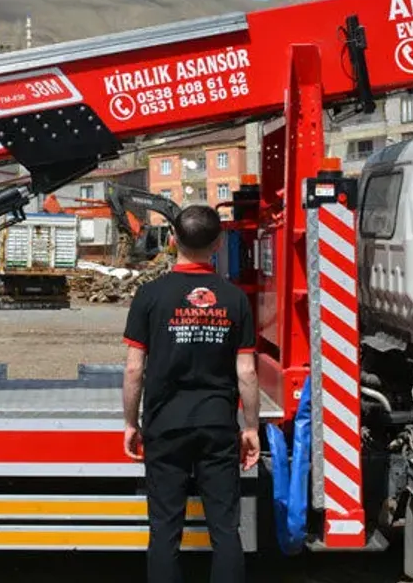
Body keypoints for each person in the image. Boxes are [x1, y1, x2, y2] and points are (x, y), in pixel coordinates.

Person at [121, 204, 260, 583]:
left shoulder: (150, 295)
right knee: (225, 530)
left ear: (171, 240)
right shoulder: (234, 299)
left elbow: (135, 368)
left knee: (164, 531)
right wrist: (251, 427)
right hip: (217, 424)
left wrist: (130, 423)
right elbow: (245, 370)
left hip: (165, 425)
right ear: (218, 244)